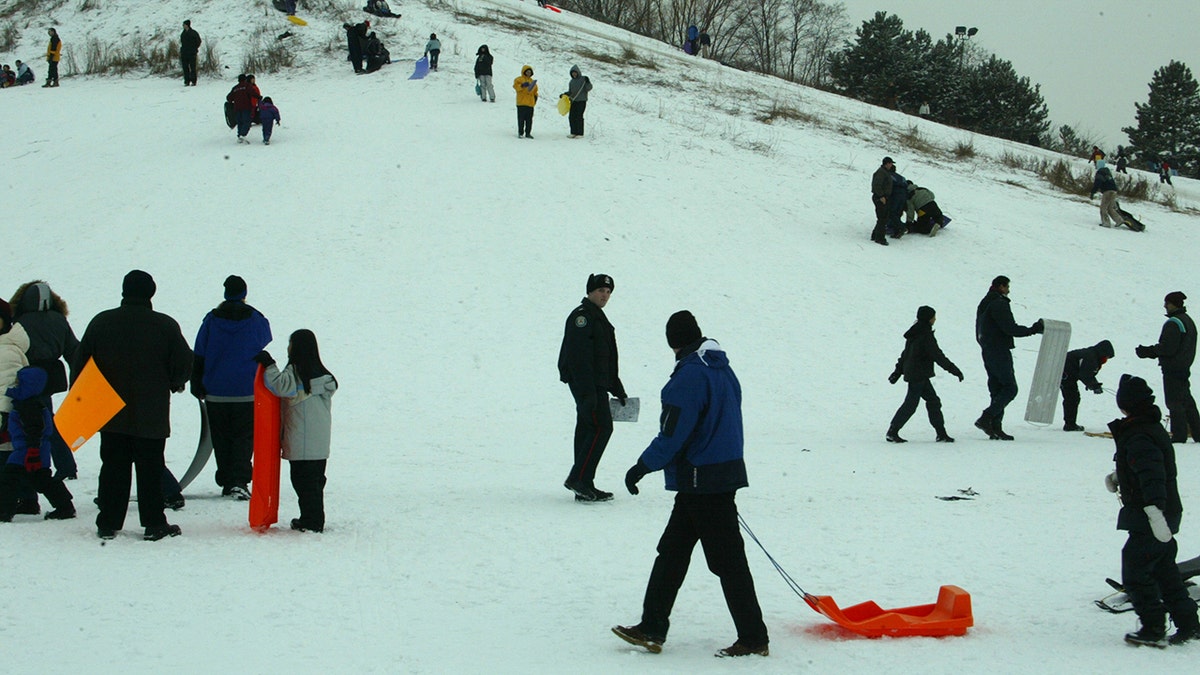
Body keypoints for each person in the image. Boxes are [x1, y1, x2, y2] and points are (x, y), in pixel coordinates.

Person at [614, 311, 769, 658]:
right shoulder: (723, 369)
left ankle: (754, 637)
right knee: (671, 554)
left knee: (727, 562)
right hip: (713, 478)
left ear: (674, 342)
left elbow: (673, 435)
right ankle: (652, 627)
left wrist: (642, 466)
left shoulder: (688, 377)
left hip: (704, 481)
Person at [75, 270, 193, 541]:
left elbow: (81, 361)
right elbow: (183, 362)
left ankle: (108, 522)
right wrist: (175, 382)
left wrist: (85, 400)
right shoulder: (164, 325)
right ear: (151, 293)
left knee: (113, 467)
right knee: (150, 468)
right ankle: (153, 523)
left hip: (110, 410)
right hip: (150, 413)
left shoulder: (101, 322)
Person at [1106, 374, 1200, 647]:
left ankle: (1153, 627)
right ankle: (1189, 624)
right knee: (1164, 571)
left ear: (1127, 405)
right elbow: (1143, 468)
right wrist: (1119, 476)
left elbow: (1153, 477)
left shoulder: (1139, 434)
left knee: (1136, 572)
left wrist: (1155, 513)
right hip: (1160, 513)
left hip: (1152, 516)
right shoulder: (1146, 427)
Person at [191, 276, 272, 500]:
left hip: (215, 390)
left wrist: (196, 382)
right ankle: (239, 480)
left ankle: (227, 479)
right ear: (244, 293)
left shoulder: (211, 320)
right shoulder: (255, 319)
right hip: (246, 390)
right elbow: (265, 338)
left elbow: (199, 353)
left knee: (221, 437)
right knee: (243, 438)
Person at [257, 330, 337, 533]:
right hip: (319, 441)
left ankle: (311, 522)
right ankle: (314, 518)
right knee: (316, 482)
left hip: (301, 440)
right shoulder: (322, 374)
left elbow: (280, 387)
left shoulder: (296, 372)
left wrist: (269, 365)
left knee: (303, 483)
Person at [557, 274, 627, 502]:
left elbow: (605, 358)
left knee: (589, 428)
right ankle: (578, 478)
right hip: (587, 385)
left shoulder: (597, 318)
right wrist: (587, 393)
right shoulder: (583, 317)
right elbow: (579, 358)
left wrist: (616, 387)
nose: (605, 296)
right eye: (600, 291)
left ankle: (584, 484)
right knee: (601, 427)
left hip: (595, 385)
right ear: (590, 292)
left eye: (608, 292)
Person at [10, 281, 79, 481]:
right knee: (47, 419)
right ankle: (66, 465)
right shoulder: (59, 320)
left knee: (33, 422)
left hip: (26, 376)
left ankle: (37, 466)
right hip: (51, 377)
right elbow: (73, 350)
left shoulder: (20, 321)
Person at [0, 367, 76, 522]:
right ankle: (65, 506)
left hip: (26, 451)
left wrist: (33, 451)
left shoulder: (29, 407)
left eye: (19, 382)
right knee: (42, 480)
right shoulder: (32, 403)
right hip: (33, 450)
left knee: (9, 480)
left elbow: (34, 430)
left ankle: (4, 511)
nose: (16, 385)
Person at [974, 275, 1044, 440]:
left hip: (987, 349)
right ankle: (986, 418)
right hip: (999, 350)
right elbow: (1010, 329)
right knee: (1010, 388)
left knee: (997, 389)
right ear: (1001, 286)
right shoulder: (999, 304)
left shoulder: (985, 302)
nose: (1009, 290)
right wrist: (1034, 329)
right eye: (1007, 287)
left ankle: (995, 427)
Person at [886, 306, 963, 443]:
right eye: (933, 316)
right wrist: (954, 370)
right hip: (918, 374)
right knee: (911, 404)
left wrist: (897, 372)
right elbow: (938, 356)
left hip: (916, 373)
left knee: (933, 401)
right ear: (928, 318)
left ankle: (941, 433)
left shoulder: (915, 332)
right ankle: (893, 431)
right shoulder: (925, 335)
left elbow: (905, 355)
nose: (935, 319)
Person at [1136, 291, 1200, 443]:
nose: (1165, 306)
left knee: (1174, 402)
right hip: (1184, 366)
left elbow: (1167, 348)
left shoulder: (1174, 323)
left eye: (1167, 303)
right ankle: (1198, 433)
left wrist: (1147, 351)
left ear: (1174, 304)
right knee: (1187, 401)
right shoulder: (1188, 321)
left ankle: (1179, 436)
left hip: (1173, 368)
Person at [1060, 340, 1114, 431]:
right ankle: (1070, 425)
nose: (1106, 360)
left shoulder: (1092, 354)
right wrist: (1094, 386)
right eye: (1106, 357)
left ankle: (1070, 423)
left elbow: (1087, 374)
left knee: (1073, 398)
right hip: (1065, 375)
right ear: (1103, 352)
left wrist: (1094, 385)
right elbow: (1085, 374)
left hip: (1067, 374)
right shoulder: (1091, 357)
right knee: (1072, 398)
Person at [869, 157, 896, 245]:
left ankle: (875, 235)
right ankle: (880, 238)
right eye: (890, 163)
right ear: (886, 163)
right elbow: (877, 185)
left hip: (883, 197)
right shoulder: (881, 172)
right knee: (882, 218)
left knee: (883, 217)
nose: (891, 165)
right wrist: (881, 196)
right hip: (880, 198)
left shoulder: (885, 172)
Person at [226, 74, 259, 143]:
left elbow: (229, 98)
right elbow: (253, 93)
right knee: (247, 121)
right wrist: (259, 97)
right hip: (246, 107)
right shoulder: (247, 86)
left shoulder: (235, 88)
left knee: (240, 122)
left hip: (237, 108)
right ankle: (243, 135)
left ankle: (239, 136)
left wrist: (233, 101)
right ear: (245, 79)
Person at [562, 65, 592, 138]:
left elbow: (589, 88)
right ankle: (573, 132)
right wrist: (564, 94)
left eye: (575, 73)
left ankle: (580, 133)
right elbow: (571, 92)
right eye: (572, 73)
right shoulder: (571, 82)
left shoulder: (583, 79)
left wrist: (588, 82)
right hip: (573, 101)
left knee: (579, 116)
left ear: (578, 72)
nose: (574, 74)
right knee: (572, 116)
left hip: (581, 101)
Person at [513, 65, 538, 138]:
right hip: (521, 103)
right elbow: (516, 87)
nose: (528, 73)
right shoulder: (519, 79)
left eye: (530, 72)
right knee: (521, 119)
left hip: (530, 104)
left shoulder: (533, 82)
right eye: (527, 71)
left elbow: (535, 92)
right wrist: (522, 86)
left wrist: (535, 98)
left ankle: (528, 133)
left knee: (529, 120)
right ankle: (520, 132)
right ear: (524, 72)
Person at [180, 20, 201, 86]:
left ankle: (194, 81)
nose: (183, 26)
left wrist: (194, 48)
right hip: (184, 53)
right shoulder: (183, 33)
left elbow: (198, 41)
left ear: (187, 25)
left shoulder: (193, 33)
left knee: (193, 67)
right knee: (185, 68)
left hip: (192, 53)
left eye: (184, 24)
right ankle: (187, 81)